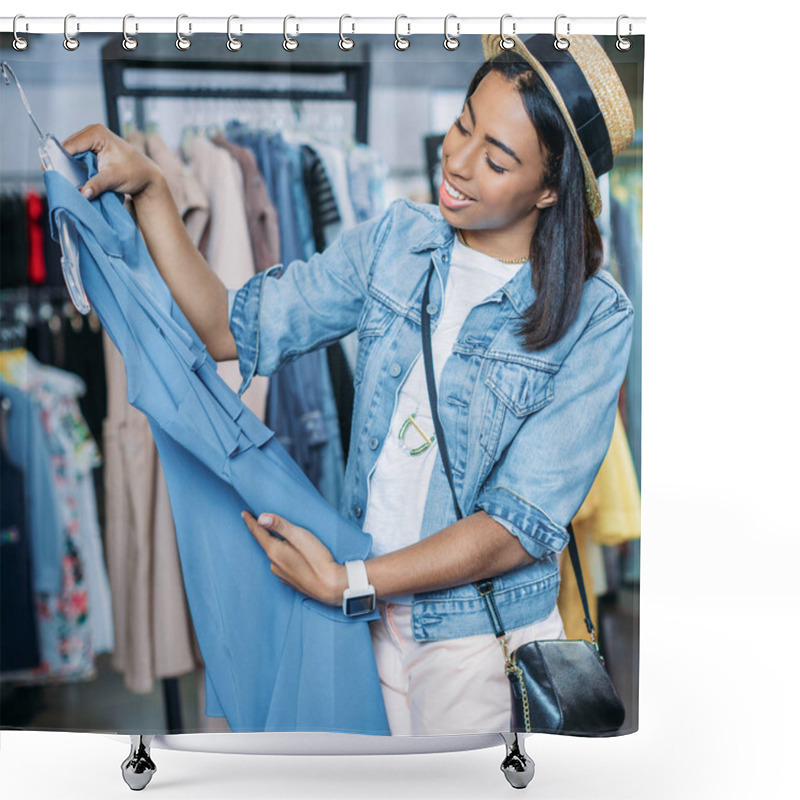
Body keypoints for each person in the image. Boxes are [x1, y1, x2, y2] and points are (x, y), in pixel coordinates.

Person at [62, 33, 635, 736]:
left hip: (473, 645)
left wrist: (351, 581)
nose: (454, 162)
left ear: (550, 188)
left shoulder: (595, 318)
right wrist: (153, 190)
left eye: (495, 158)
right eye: (462, 124)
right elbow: (230, 327)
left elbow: (516, 527)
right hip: (361, 620)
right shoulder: (400, 240)